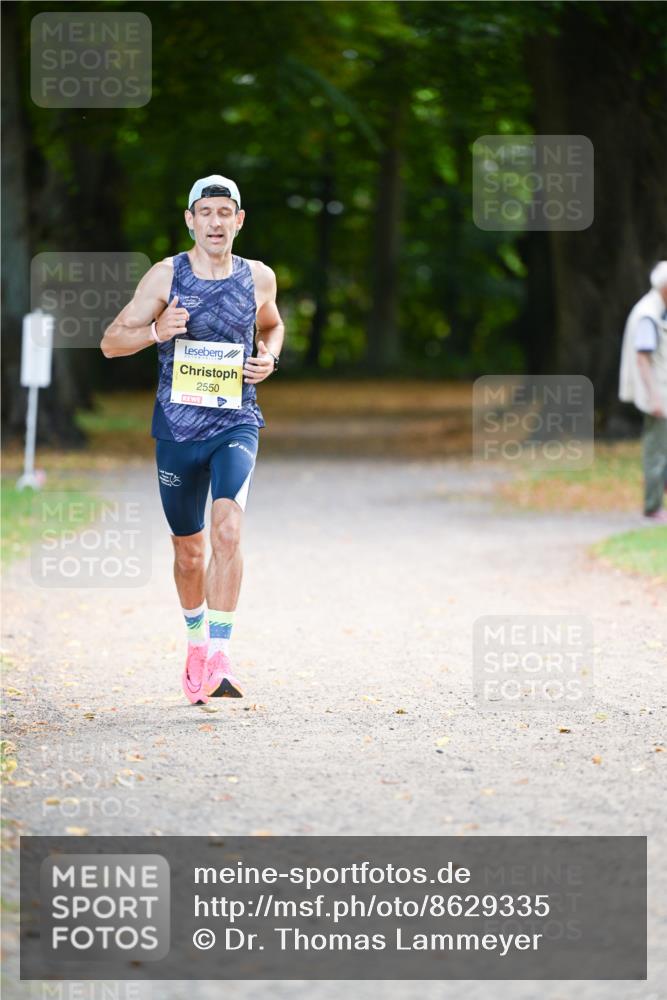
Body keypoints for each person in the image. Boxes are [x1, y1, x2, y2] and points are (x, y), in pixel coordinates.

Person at [101, 175, 284, 703]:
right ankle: (195, 647)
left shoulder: (259, 278)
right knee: (188, 551)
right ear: (190, 220)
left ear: (239, 220)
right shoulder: (166, 276)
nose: (215, 222)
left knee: (227, 530)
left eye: (225, 212)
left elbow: (272, 327)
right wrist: (158, 332)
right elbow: (111, 343)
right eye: (206, 212)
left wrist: (270, 357)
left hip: (236, 422)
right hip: (178, 430)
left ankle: (222, 657)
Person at [619, 261, 667, 522]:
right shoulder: (648, 315)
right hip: (658, 395)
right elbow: (642, 359)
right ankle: (653, 507)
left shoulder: (657, 310)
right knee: (656, 450)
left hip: (661, 392)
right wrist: (655, 397)